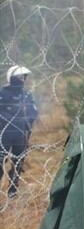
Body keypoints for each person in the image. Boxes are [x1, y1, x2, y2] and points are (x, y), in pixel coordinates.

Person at [0, 65, 38, 198]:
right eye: (19, 77)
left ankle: (12, 193)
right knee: (0, 163)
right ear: (11, 78)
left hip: (20, 135)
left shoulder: (26, 94)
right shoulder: (2, 93)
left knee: (17, 163)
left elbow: (33, 111)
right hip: (3, 134)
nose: (22, 79)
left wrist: (28, 121)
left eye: (23, 77)